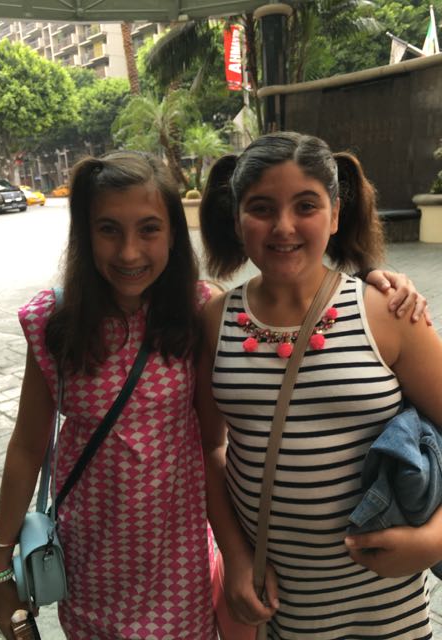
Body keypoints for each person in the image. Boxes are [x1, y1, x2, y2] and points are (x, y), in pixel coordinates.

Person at [0, 149, 426, 640]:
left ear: (174, 234)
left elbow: (212, 440)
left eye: (149, 229)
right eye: (108, 229)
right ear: (84, 234)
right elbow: (26, 448)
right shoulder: (57, 323)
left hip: (181, 574)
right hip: (90, 568)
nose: (129, 252)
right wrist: (0, 567)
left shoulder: (197, 313)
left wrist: (374, 281)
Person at [196, 132, 442, 639]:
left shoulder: (388, 312)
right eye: (261, 208)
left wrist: (435, 539)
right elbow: (209, 449)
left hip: (387, 609)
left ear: (334, 215)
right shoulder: (215, 321)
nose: (283, 226)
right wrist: (234, 556)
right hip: (280, 610)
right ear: (237, 219)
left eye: (305, 205)